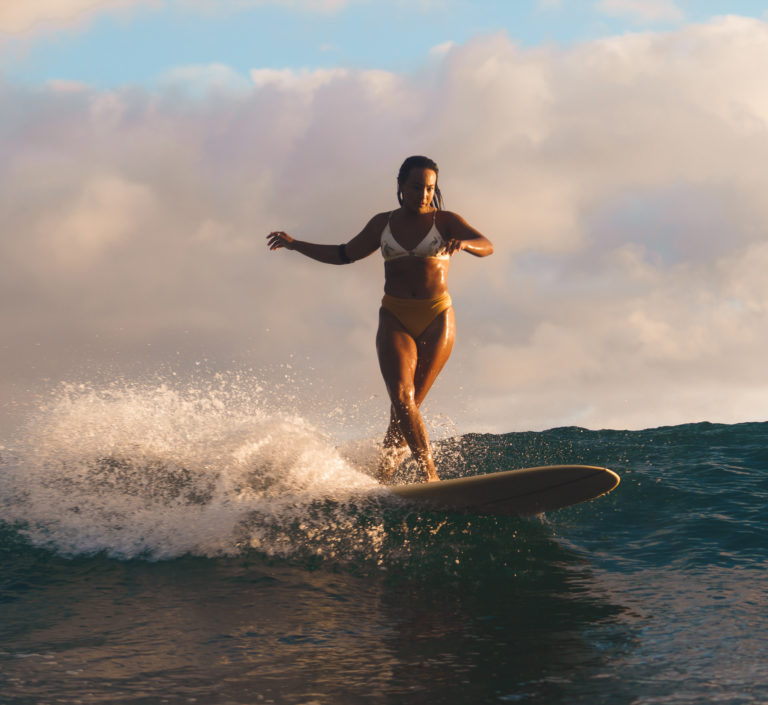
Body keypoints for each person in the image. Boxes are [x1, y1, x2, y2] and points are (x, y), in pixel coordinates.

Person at [266, 155, 493, 483]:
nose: (423, 194)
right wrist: (295, 245)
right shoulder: (382, 224)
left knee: (406, 409)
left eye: (429, 188)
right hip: (395, 316)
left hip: (437, 316)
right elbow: (344, 254)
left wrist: (467, 244)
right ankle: (430, 475)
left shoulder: (445, 221)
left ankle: (383, 477)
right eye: (416, 187)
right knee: (402, 399)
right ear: (400, 185)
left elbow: (487, 245)